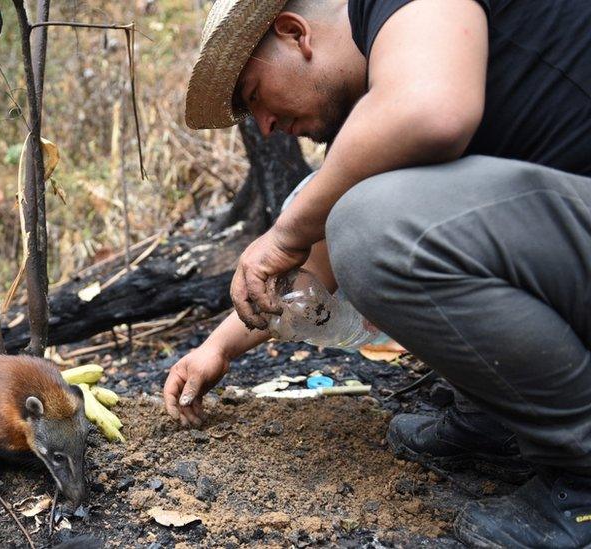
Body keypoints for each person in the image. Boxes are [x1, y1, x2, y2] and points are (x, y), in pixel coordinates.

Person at [162, 0, 591, 546]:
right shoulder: (400, 75)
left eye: (254, 96)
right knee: (359, 212)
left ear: (295, 34)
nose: (267, 128)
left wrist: (283, 232)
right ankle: (500, 419)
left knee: (374, 225)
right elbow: (316, 263)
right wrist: (216, 349)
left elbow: (430, 112)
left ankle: (583, 473)